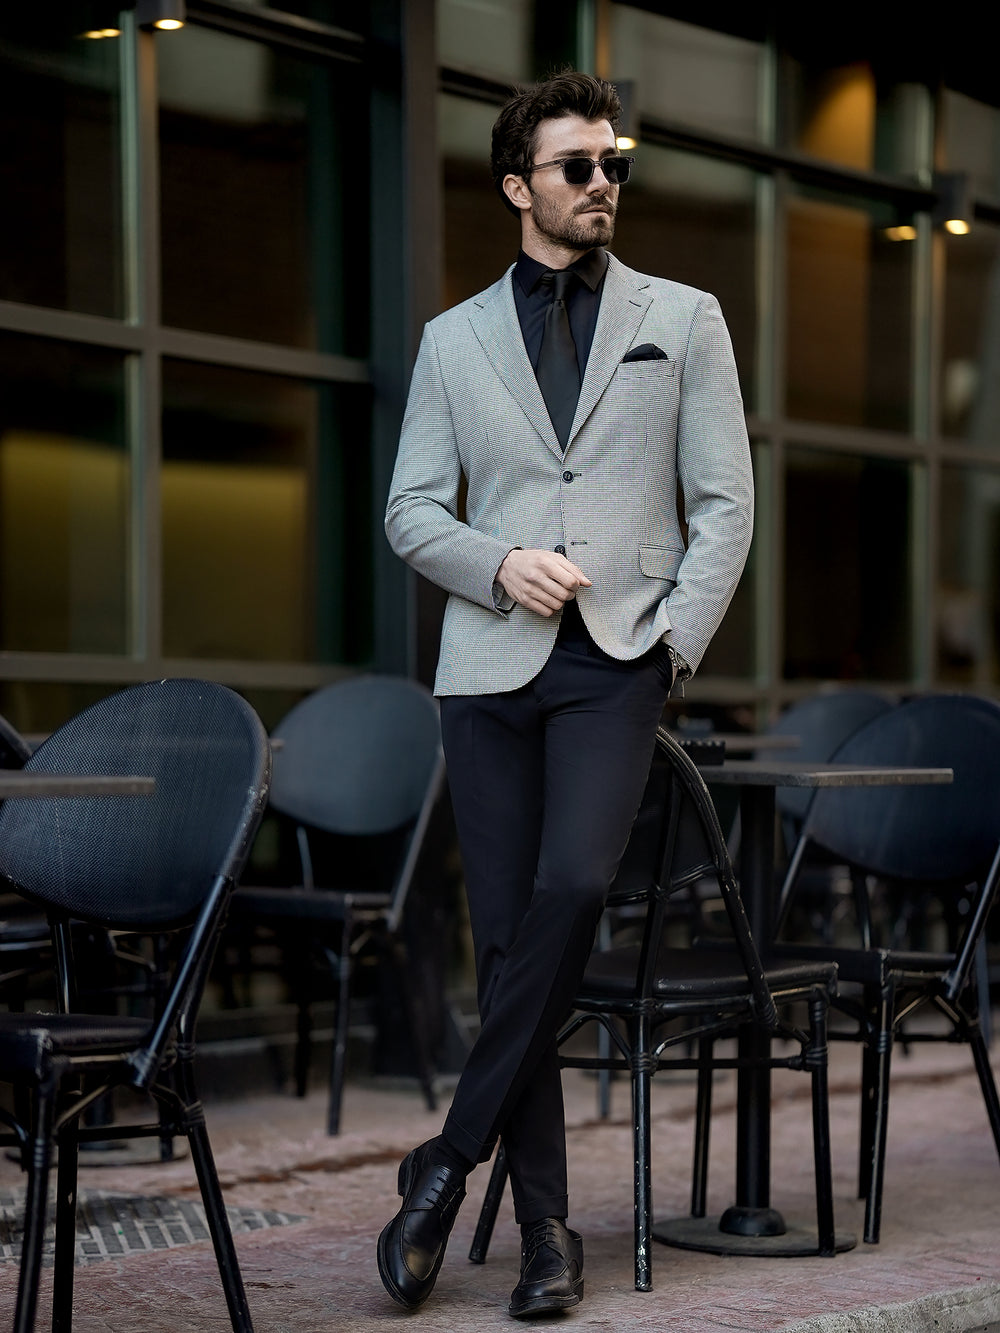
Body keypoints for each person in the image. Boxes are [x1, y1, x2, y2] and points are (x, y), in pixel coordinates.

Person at [378, 70, 753, 1319]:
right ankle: (545, 1230)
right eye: (576, 166)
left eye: (612, 164)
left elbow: (725, 505)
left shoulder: (682, 317)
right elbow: (409, 511)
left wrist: (669, 648)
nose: (602, 184)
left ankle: (444, 1162)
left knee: (576, 885)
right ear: (516, 186)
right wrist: (497, 562)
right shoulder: (451, 340)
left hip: (615, 661)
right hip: (489, 667)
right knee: (507, 946)